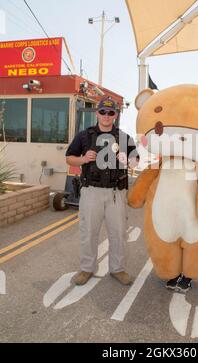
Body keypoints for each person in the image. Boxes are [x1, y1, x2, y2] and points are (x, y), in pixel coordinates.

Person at [66, 96, 139, 286]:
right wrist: (83, 159)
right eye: (103, 112)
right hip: (92, 192)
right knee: (88, 232)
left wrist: (126, 159)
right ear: (97, 113)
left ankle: (118, 269)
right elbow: (69, 158)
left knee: (119, 233)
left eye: (111, 113)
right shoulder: (84, 135)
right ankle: (86, 269)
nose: (107, 116)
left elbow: (135, 162)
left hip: (116, 193)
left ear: (115, 115)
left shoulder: (124, 137)